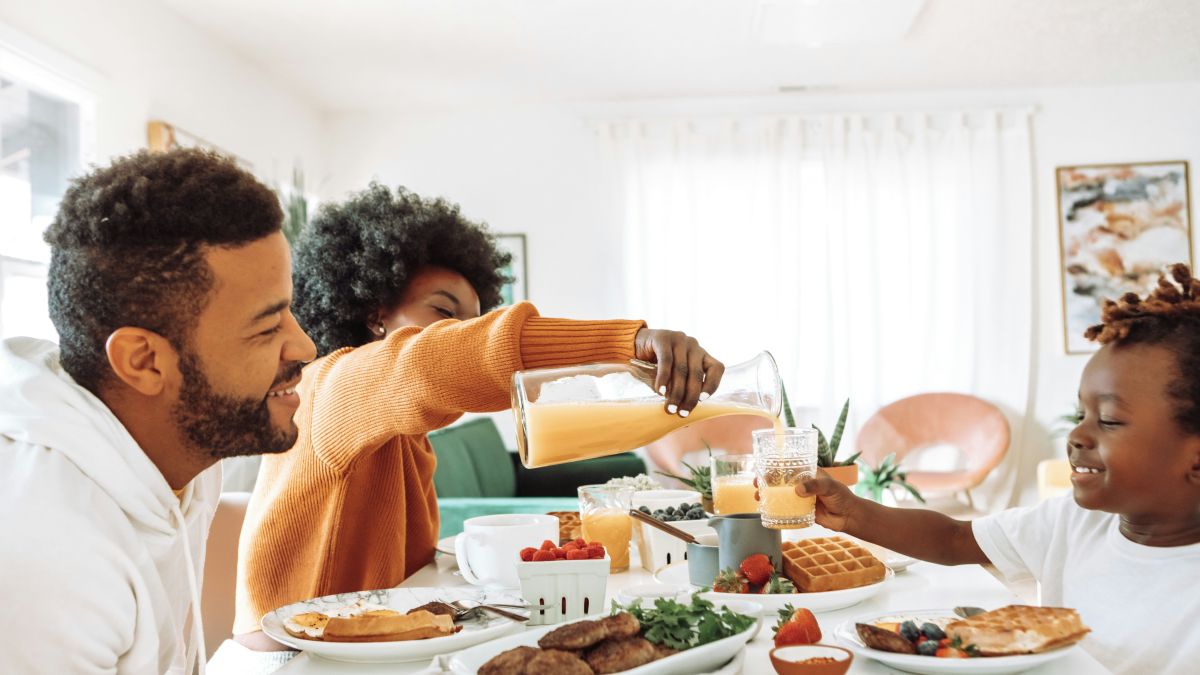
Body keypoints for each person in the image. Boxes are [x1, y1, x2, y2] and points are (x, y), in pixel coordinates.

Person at [227, 184, 724, 658]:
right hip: (294, 658)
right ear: (376, 313)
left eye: (473, 319)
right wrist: (622, 345)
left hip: (370, 647)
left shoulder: (401, 428)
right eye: (443, 313)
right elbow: (431, 360)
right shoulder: (332, 388)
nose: (459, 331)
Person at [0, 148, 316, 674]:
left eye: (289, 311)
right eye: (267, 327)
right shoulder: (51, 550)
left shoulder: (179, 449)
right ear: (144, 361)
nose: (304, 347)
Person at [796, 263, 1200, 674]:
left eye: (1109, 419)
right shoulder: (1073, 521)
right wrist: (855, 513)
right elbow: (954, 539)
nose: (1078, 433)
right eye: (1081, 413)